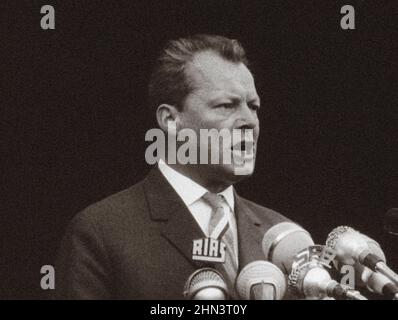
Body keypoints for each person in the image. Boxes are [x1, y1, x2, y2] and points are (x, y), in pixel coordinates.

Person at [54, 34, 291, 299]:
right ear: (170, 120)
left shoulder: (283, 236)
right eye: (227, 105)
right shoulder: (101, 233)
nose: (249, 121)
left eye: (253, 106)